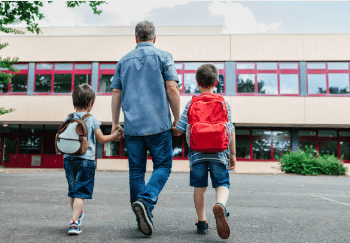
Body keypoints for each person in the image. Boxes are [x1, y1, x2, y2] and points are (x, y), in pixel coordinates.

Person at [110, 20, 180, 236]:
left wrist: (115, 123)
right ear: (154, 38)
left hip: (132, 128)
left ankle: (141, 213)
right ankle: (146, 200)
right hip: (159, 125)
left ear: (136, 38)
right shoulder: (164, 56)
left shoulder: (123, 61)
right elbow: (172, 88)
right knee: (163, 166)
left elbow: (115, 93)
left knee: (136, 172)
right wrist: (177, 119)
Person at [173, 64, 236, 239]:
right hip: (219, 151)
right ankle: (220, 205)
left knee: (199, 188)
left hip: (197, 153)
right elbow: (230, 129)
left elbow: (180, 128)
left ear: (197, 82)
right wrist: (232, 155)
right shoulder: (223, 102)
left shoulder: (192, 102)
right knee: (222, 184)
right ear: (216, 82)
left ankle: (202, 221)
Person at [63, 84, 122, 235]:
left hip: (68, 159)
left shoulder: (69, 117)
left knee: (73, 191)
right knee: (80, 192)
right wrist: (115, 136)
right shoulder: (92, 119)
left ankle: (77, 214)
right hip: (86, 161)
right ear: (90, 103)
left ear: (74, 101)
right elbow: (101, 139)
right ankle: (74, 223)